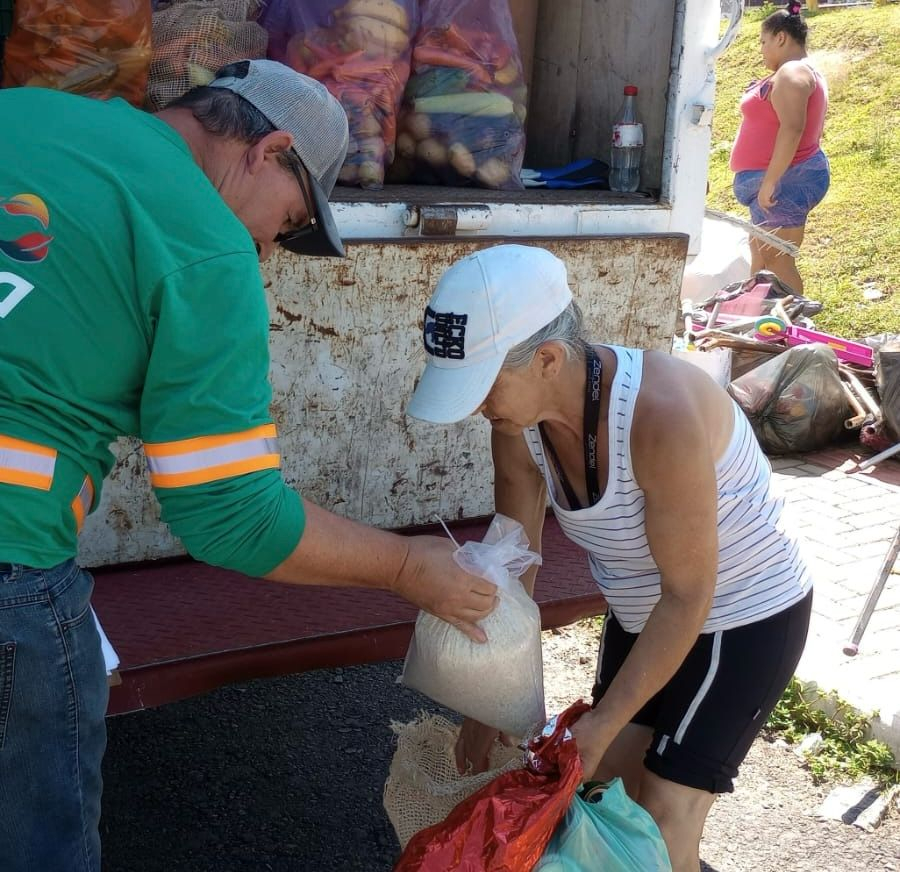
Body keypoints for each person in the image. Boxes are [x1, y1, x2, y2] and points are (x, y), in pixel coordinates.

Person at [0, 60, 497, 872]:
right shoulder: (202, 242)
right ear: (269, 150)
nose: (268, 249)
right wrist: (408, 565)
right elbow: (231, 515)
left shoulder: (20, 114)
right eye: (292, 221)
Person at [406, 244, 813, 872]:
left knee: (664, 814)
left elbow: (688, 596)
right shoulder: (517, 422)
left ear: (546, 358)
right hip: (643, 614)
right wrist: (485, 704)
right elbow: (513, 564)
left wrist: (600, 724)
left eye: (483, 384)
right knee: (605, 796)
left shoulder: (660, 416)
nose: (476, 405)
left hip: (742, 615)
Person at [730, 1, 829, 294]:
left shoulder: (793, 71)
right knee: (761, 256)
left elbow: (793, 128)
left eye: (763, 41)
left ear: (781, 38)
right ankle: (758, 325)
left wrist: (771, 180)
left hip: (786, 180)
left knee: (777, 259)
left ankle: (796, 328)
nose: (761, 49)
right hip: (779, 181)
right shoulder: (790, 72)